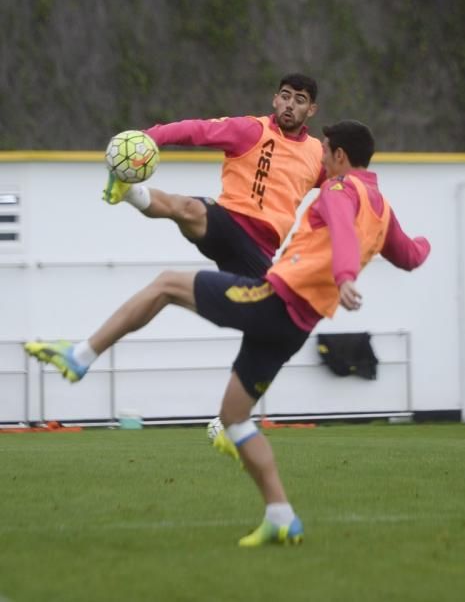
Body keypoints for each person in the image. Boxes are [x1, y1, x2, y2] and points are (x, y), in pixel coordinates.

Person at [25, 121, 431, 548]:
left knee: (167, 284)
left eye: (326, 153)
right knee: (234, 419)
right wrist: (426, 244)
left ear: (342, 157)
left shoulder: (338, 189)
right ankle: (281, 515)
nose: (322, 160)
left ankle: (81, 356)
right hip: (296, 327)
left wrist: (345, 274)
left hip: (273, 302)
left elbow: (343, 230)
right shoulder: (382, 209)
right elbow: (409, 256)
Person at [103, 73, 324, 276]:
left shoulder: (317, 154)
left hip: (259, 250)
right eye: (285, 97)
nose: (290, 105)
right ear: (275, 100)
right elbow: (196, 130)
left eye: (299, 100)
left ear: (311, 109)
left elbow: (347, 183)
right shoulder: (251, 130)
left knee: (264, 314)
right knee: (186, 208)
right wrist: (149, 137)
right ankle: (128, 191)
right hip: (227, 223)